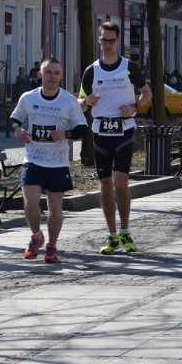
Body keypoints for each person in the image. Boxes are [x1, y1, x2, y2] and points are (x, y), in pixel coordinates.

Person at [78, 22, 152, 254]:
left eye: (111, 40)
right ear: (99, 41)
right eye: (103, 40)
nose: (107, 45)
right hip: (100, 133)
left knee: (121, 184)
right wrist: (85, 102)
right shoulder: (91, 70)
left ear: (118, 41)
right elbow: (79, 103)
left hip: (124, 132)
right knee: (105, 187)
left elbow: (147, 93)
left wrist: (135, 107)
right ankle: (111, 235)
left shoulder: (130, 67)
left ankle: (126, 231)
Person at [9, 58, 88, 263]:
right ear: (40, 74)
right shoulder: (28, 97)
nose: (52, 77)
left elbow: (82, 128)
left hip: (57, 161)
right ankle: (36, 236)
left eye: (56, 73)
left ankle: (52, 245)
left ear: (61, 76)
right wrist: (18, 130)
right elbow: (14, 119)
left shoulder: (68, 100)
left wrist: (66, 134)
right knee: (30, 202)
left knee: (54, 206)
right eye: (48, 72)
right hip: (33, 158)